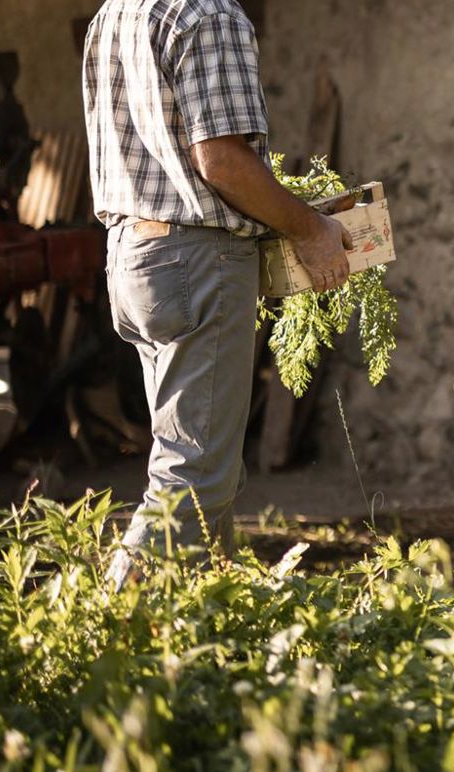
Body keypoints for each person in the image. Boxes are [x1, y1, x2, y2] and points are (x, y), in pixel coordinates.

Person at [83, 0, 350, 584]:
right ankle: (101, 630)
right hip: (195, 258)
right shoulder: (207, 13)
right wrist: (311, 228)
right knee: (193, 474)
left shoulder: (117, 12)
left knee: (205, 462)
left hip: (135, 254)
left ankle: (215, 629)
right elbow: (222, 161)